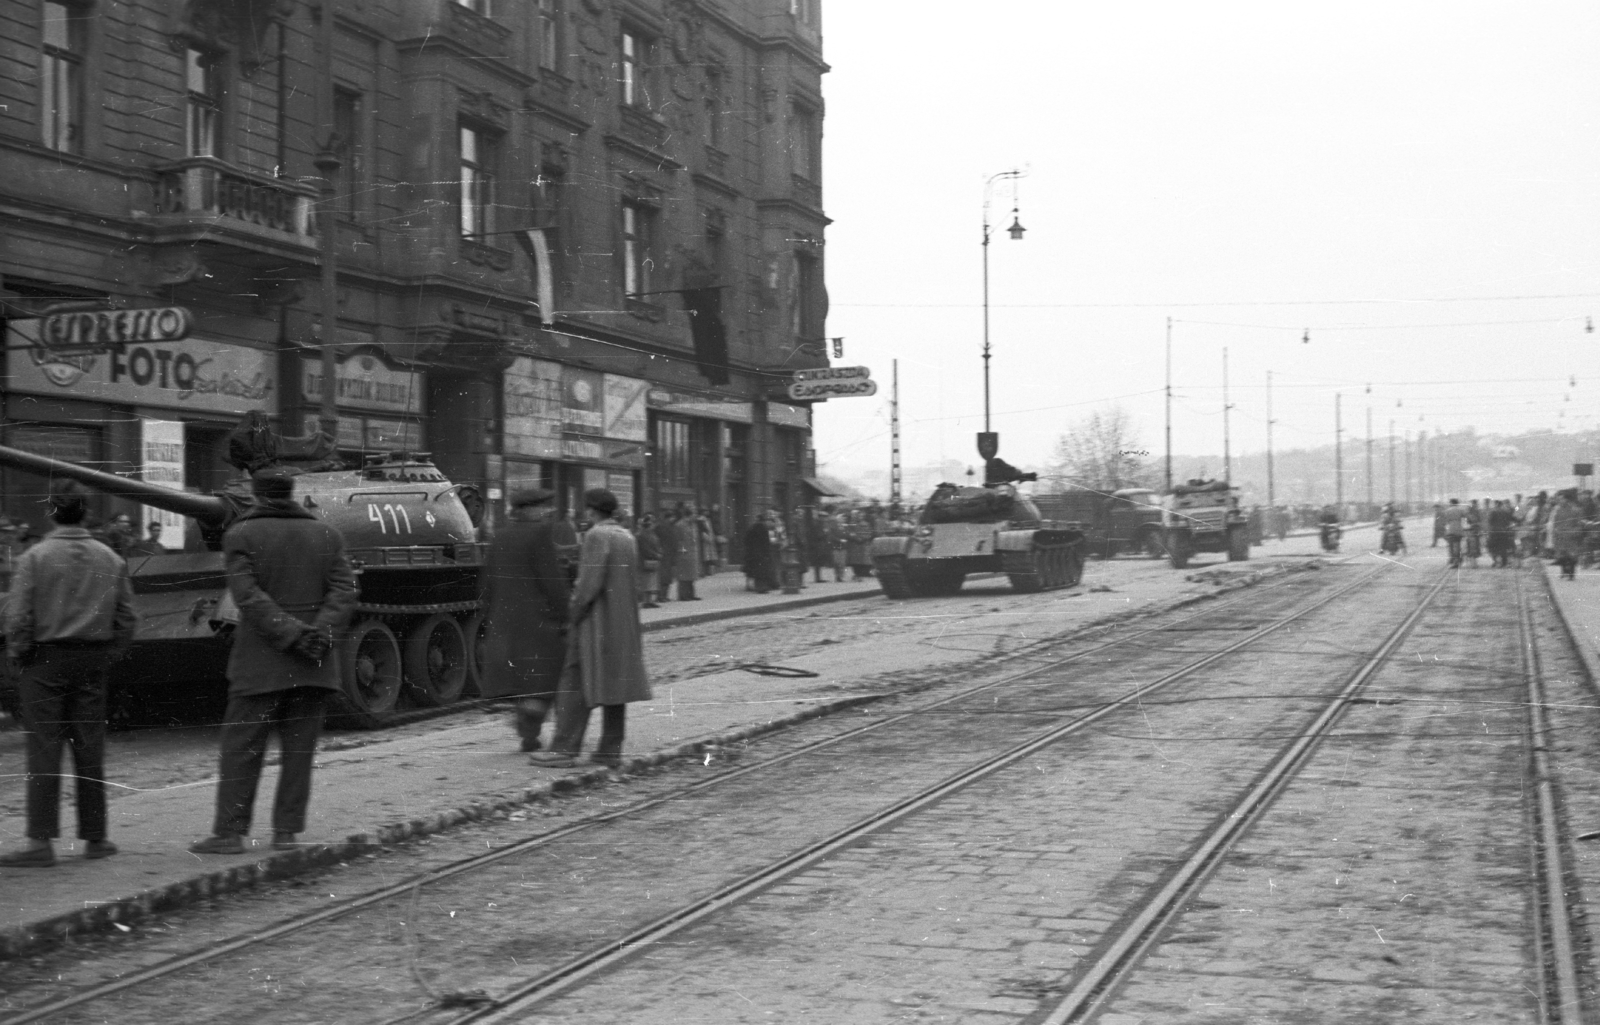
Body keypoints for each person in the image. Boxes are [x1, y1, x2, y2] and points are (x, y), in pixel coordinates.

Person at [190, 467, 358, 855]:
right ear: (290, 492)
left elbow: (247, 597)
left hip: (260, 664)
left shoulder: (241, 535)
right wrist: (317, 636)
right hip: (314, 664)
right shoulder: (327, 535)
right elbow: (345, 592)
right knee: (299, 753)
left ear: (256, 494)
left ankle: (230, 834)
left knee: (242, 750)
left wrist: (292, 634)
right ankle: (286, 832)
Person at [0, 483, 137, 867]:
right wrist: (108, 654)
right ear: (85, 513)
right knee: (89, 748)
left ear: (53, 514)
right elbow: (127, 618)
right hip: (91, 660)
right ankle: (96, 838)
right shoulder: (110, 558)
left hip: (44, 660)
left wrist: (19, 655)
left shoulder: (35, 557)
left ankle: (40, 843)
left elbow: (19, 616)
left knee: (44, 748)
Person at [529, 489, 651, 769]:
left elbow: (588, 587)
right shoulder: (627, 536)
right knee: (615, 684)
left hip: (595, 625)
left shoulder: (597, 536)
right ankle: (610, 750)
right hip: (622, 624)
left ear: (592, 511)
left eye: (586, 509)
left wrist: (572, 616)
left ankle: (563, 749)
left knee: (573, 682)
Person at [479, 488, 570, 753]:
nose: (547, 512)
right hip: (537, 622)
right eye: (542, 507)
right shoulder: (539, 534)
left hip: (506, 621)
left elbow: (487, 583)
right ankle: (531, 726)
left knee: (521, 677)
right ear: (528, 510)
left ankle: (528, 729)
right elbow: (551, 580)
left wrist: (491, 615)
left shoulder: (500, 536)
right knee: (545, 676)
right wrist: (565, 614)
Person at [1550, 490, 1585, 581]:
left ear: (1567, 499)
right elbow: (1555, 523)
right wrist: (1555, 531)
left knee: (1572, 556)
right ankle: (1563, 571)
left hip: (1571, 537)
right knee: (1562, 555)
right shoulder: (1558, 510)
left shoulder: (1575, 510)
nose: (1560, 501)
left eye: (1562, 499)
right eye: (1559, 499)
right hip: (1561, 537)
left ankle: (1571, 574)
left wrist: (1575, 532)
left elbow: (1579, 524)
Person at [673, 503, 703, 600]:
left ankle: (691, 594)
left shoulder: (694, 525)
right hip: (684, 553)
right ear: (688, 514)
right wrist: (682, 552)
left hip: (693, 553)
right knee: (683, 576)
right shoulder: (680, 525)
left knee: (691, 576)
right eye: (694, 513)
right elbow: (677, 540)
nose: (696, 516)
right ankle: (683, 595)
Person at [743, 513, 775, 593]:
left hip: (752, 553)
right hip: (762, 553)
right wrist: (767, 552)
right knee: (762, 571)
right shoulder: (763, 528)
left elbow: (746, 540)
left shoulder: (751, 528)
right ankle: (762, 588)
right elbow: (766, 542)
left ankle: (751, 586)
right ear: (764, 520)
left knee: (752, 571)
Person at [635, 512, 662, 608]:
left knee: (652, 581)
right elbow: (645, 548)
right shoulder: (641, 535)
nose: (653, 525)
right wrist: (656, 555)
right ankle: (646, 601)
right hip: (645, 560)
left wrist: (659, 553)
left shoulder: (652, 534)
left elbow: (657, 545)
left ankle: (650, 601)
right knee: (646, 581)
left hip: (652, 560)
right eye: (652, 523)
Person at [653, 508, 679, 603]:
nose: (673, 519)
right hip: (665, 554)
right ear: (669, 518)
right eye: (672, 517)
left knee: (667, 576)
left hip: (668, 554)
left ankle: (664, 595)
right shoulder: (661, 527)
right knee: (664, 577)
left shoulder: (666, 526)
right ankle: (661, 596)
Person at [1486, 499, 1516, 568]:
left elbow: (1489, 522)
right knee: (1503, 548)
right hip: (1504, 532)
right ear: (1501, 505)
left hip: (1494, 532)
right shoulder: (1506, 512)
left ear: (1496, 504)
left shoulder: (1493, 512)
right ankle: (1504, 563)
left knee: (1492, 547)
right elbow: (1511, 520)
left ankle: (1496, 562)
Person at [1441, 497, 1467, 568]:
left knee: (1451, 546)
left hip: (1450, 529)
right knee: (1457, 545)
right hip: (1459, 529)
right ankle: (1458, 559)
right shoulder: (1461, 510)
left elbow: (1445, 521)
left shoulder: (1447, 511)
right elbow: (1467, 517)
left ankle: (1454, 561)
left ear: (1451, 503)